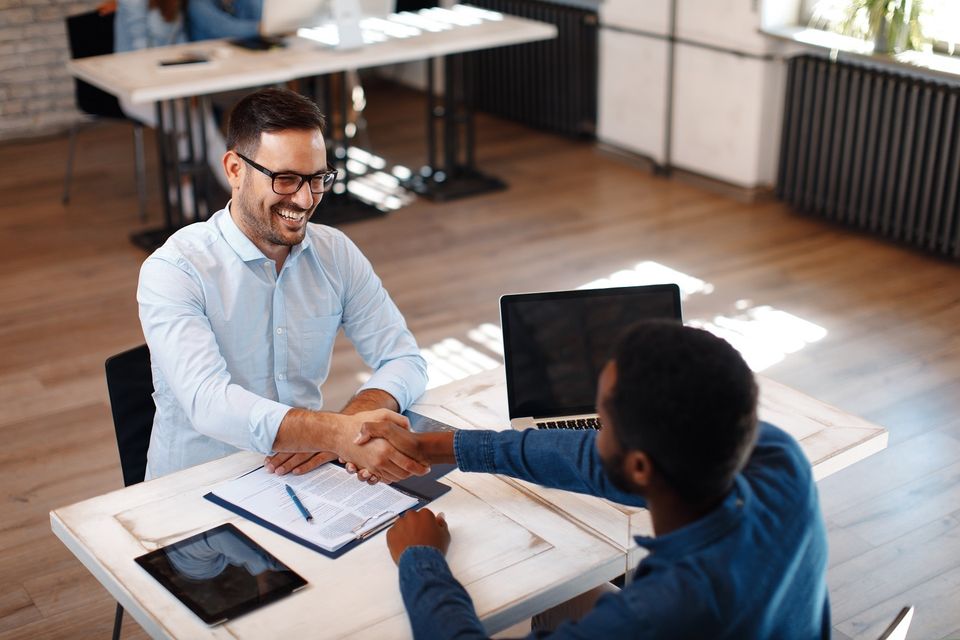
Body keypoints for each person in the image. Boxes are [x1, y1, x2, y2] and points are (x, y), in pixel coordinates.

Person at [360, 321, 831, 638]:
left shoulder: (657, 613)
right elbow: (588, 456)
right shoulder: (778, 457)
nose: (594, 432)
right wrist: (448, 446)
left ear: (641, 467)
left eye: (602, 420)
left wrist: (420, 560)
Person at [137, 87, 430, 483]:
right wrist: (333, 433)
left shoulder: (336, 253)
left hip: (304, 475)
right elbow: (209, 403)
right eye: (286, 179)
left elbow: (405, 360)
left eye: (317, 178)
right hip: (197, 492)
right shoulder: (175, 270)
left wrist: (346, 427)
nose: (306, 199)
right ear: (235, 170)